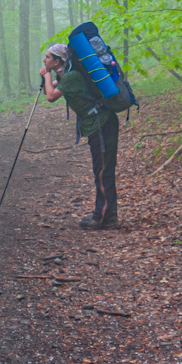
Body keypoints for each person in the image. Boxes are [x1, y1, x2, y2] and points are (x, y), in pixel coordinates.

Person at [39, 43, 119, 229]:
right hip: (97, 124)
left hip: (102, 123)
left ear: (57, 61)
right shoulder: (67, 76)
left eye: (48, 57)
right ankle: (107, 216)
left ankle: (103, 218)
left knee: (102, 171)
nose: (44, 59)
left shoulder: (72, 77)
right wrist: (47, 77)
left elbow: (51, 97)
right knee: (101, 170)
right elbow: (49, 91)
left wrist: (47, 75)